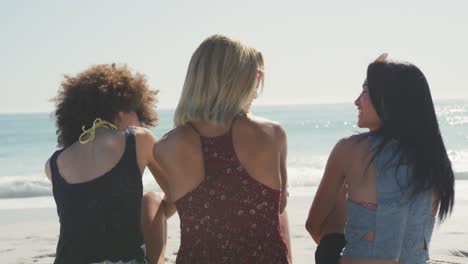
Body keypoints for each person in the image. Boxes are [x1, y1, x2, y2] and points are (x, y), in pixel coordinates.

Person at [152, 34, 291, 264]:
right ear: (236, 81)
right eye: (255, 76)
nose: (257, 87)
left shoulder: (165, 147)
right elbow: (280, 206)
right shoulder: (272, 134)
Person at [306, 54, 455, 264]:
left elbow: (314, 225)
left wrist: (343, 190)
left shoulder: (350, 150)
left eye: (365, 92)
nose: (357, 101)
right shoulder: (435, 159)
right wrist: (380, 77)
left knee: (329, 245)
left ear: (387, 99)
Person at [45, 64, 169, 264]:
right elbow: (176, 195)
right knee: (152, 199)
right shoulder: (138, 139)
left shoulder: (53, 164)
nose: (141, 122)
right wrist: (153, 210)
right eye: (138, 112)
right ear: (122, 110)